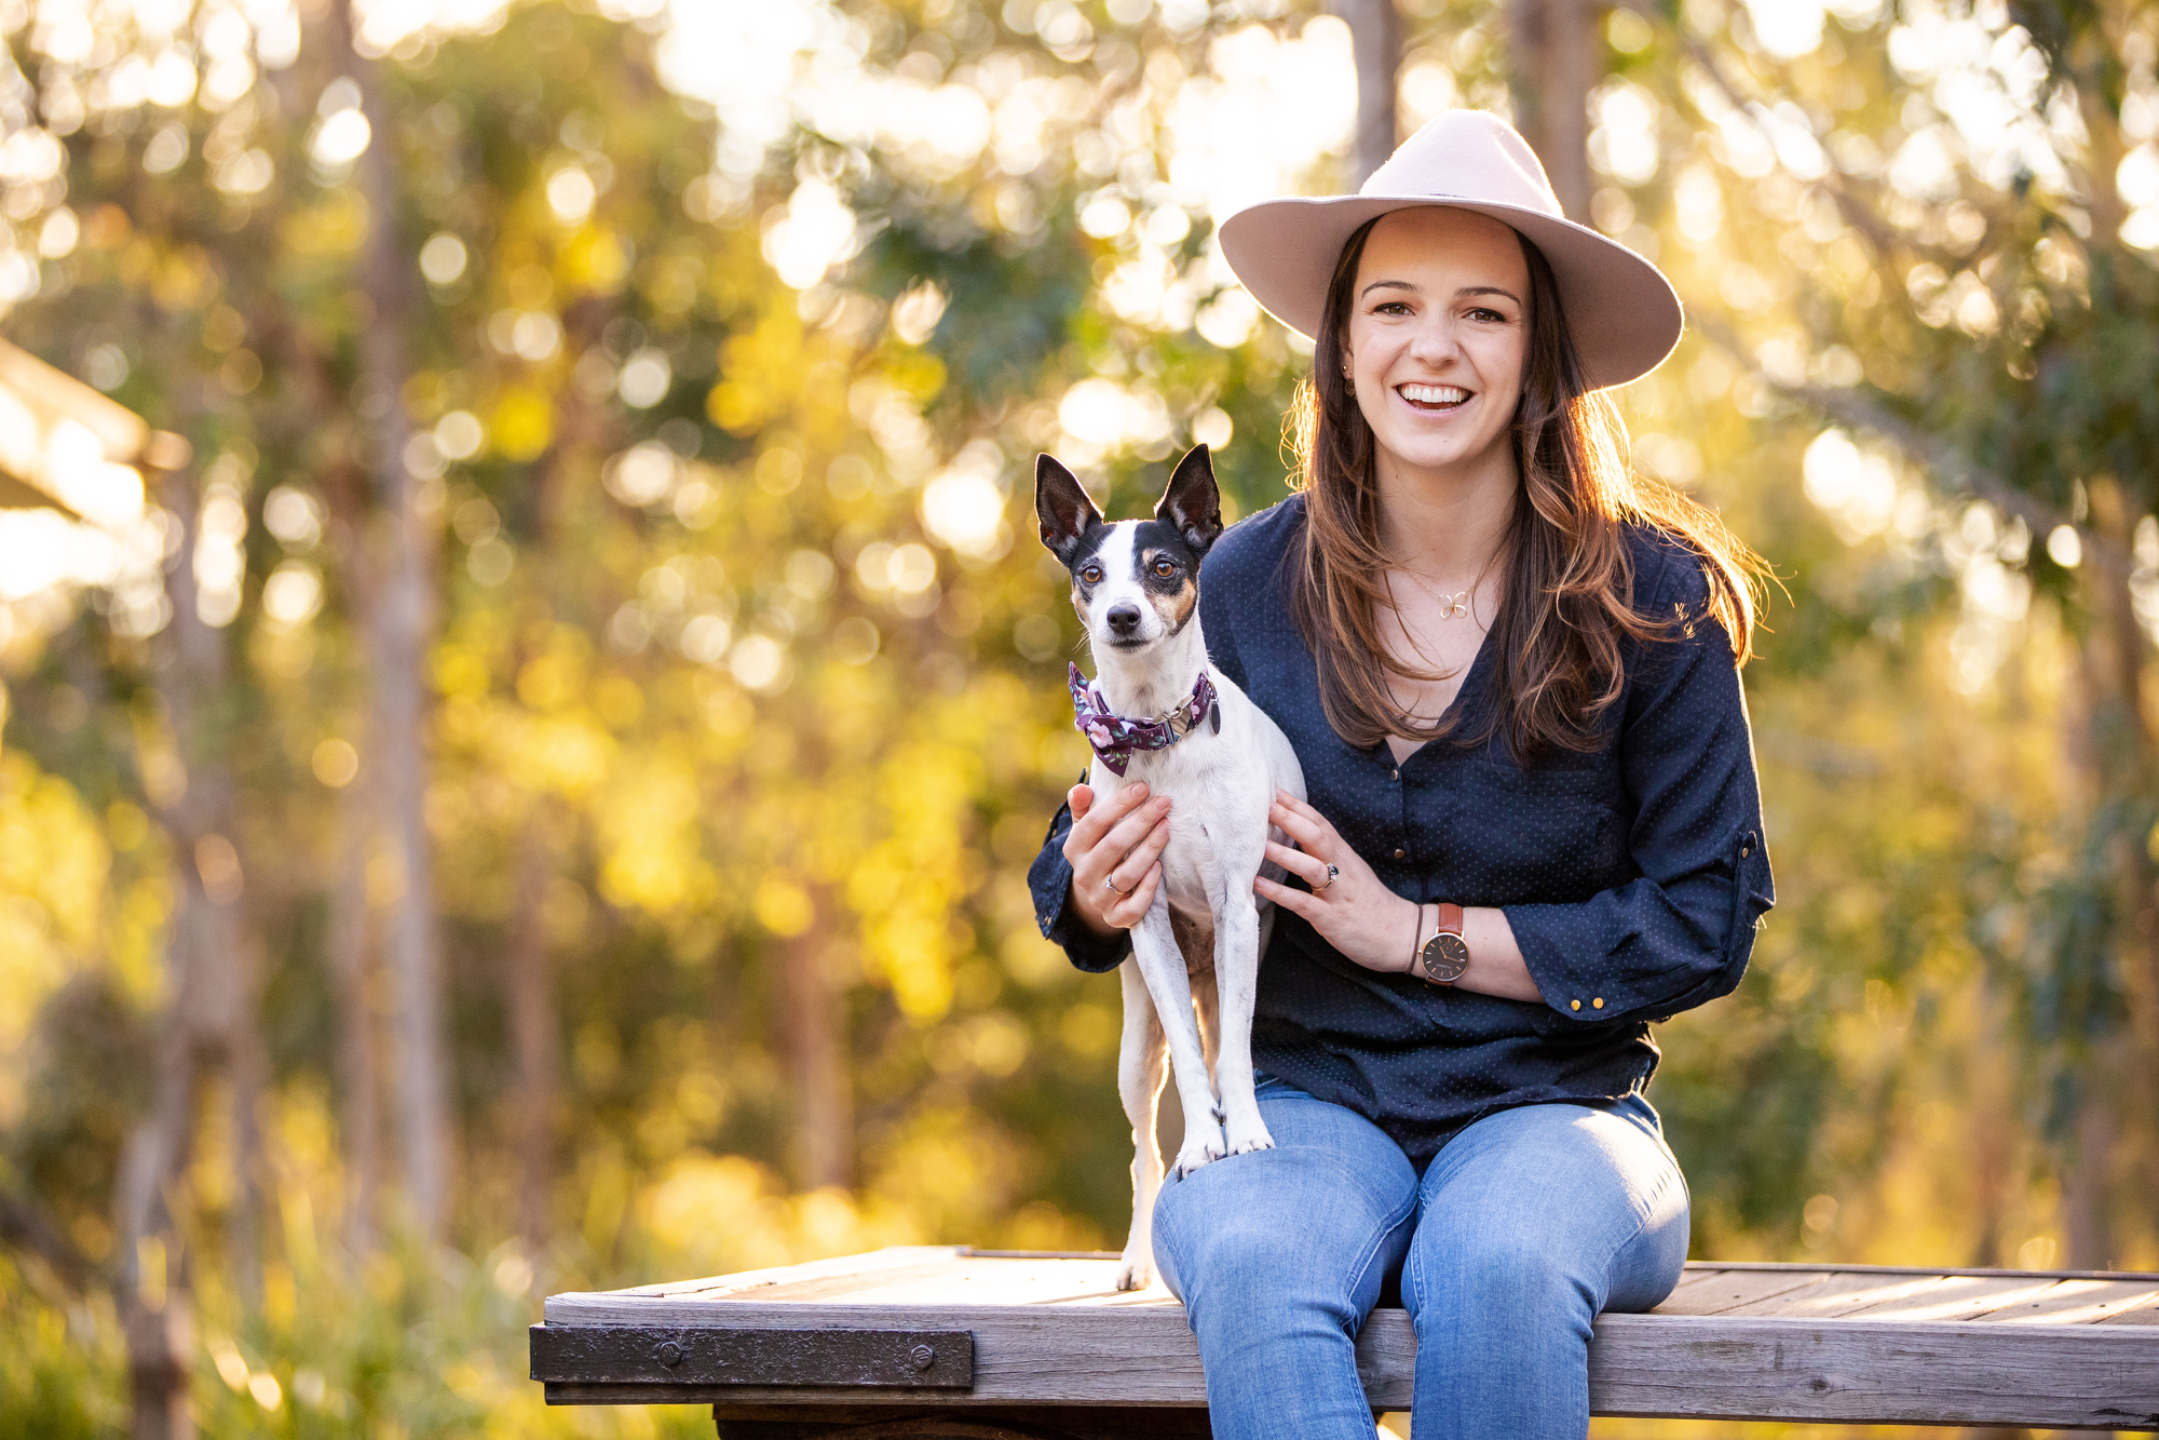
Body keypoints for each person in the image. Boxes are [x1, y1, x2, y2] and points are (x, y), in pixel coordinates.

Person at [1026, 111, 1775, 1440]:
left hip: (1562, 1118)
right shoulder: (1235, 582)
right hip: (1295, 1105)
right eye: (1393, 306)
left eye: (1484, 312)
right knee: (1253, 1255)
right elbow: (1093, 828)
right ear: (1343, 347)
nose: (1434, 346)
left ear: (1540, 354)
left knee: (1497, 1268)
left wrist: (1418, 932)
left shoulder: (1655, 603)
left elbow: (1704, 919)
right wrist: (1088, 885)